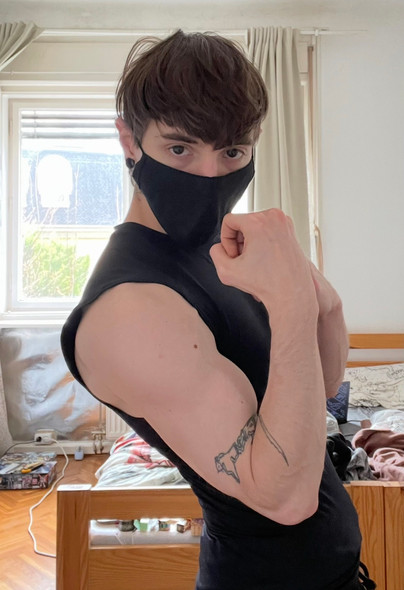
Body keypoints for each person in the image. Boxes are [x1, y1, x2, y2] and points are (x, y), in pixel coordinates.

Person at [61, 30, 376, 590]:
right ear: (130, 141)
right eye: (180, 149)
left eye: (232, 151)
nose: (210, 177)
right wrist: (290, 305)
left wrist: (320, 300)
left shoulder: (226, 252)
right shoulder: (131, 308)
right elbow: (284, 498)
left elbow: (322, 386)